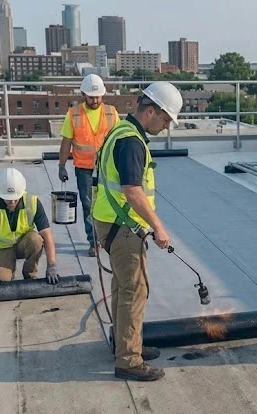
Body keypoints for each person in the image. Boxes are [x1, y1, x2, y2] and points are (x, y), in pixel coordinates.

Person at [92, 81, 184, 382]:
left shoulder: (121, 131)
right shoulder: (131, 141)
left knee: (122, 287)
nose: (167, 125)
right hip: (124, 227)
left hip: (113, 224)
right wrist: (159, 227)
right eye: (166, 118)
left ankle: (125, 344)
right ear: (151, 110)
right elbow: (133, 191)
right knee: (136, 290)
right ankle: (129, 360)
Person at [57, 73, 120, 257]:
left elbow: (120, 137)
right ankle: (94, 242)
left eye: (98, 96)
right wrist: (62, 165)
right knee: (88, 204)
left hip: (107, 165)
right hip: (84, 167)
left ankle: (109, 237)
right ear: (83, 94)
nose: (95, 99)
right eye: (92, 96)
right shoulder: (74, 114)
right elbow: (66, 141)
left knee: (110, 201)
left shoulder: (111, 112)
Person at [0, 168, 60, 290]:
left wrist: (52, 265)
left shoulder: (32, 202)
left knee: (36, 239)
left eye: (15, 198)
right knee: (3, 281)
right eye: (8, 198)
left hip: (23, 244)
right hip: (0, 248)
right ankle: (7, 268)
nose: (12, 201)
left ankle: (29, 273)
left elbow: (47, 235)